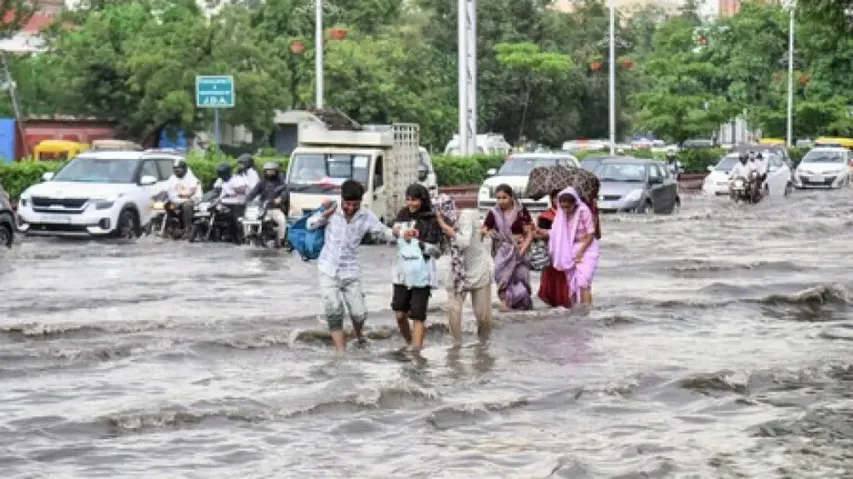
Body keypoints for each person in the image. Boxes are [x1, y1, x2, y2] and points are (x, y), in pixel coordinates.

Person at [307, 179, 396, 352]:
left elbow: (384, 232)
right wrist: (324, 215)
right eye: (347, 204)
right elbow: (309, 225)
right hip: (328, 268)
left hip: (351, 271)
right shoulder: (332, 210)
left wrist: (400, 233)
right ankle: (340, 352)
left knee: (359, 314)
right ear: (342, 198)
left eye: (355, 204)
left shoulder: (365, 216)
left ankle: (358, 335)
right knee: (334, 310)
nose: (350, 208)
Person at [434, 194, 492, 345]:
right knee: (453, 309)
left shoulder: (466, 216)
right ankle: (456, 344)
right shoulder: (438, 225)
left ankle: (483, 345)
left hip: (477, 269)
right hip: (456, 271)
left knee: (482, 316)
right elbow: (439, 250)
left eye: (443, 210)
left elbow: (464, 242)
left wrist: (444, 226)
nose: (443, 214)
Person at [390, 184, 442, 350]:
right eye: (408, 199)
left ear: (423, 200)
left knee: (418, 315)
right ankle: (409, 342)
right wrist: (399, 233)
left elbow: (437, 252)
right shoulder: (402, 215)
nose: (411, 203)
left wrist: (420, 244)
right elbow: (393, 235)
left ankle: (416, 351)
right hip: (402, 272)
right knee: (400, 314)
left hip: (422, 273)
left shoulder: (432, 220)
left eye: (414, 200)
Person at [482, 184, 533, 311]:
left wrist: (522, 251)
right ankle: (505, 303)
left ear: (511, 197)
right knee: (501, 277)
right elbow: (485, 229)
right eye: (498, 198)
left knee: (521, 277)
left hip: (520, 249)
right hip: (502, 251)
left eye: (504, 198)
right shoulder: (493, 213)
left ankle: (522, 303)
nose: (501, 201)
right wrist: (488, 233)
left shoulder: (521, 212)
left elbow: (529, 234)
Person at [549, 187, 599, 306]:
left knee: (584, 281)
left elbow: (591, 233)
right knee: (572, 283)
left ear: (574, 204)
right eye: (563, 207)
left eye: (568, 207)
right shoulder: (561, 214)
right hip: (570, 248)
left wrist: (581, 251)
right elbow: (557, 233)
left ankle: (587, 310)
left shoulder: (583, 211)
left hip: (587, 248)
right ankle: (575, 311)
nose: (565, 210)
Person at [535, 189, 572, 308]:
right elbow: (540, 235)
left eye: (561, 198)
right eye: (556, 198)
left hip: (567, 253)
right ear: (551, 199)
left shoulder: (572, 215)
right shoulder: (545, 216)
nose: (558, 201)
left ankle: (566, 302)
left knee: (565, 279)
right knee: (551, 279)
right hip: (551, 252)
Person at [246, 162, 289, 247]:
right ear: (265, 172)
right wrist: (247, 200)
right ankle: (250, 236)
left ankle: (281, 240)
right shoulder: (262, 183)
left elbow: (285, 193)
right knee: (251, 219)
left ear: (276, 172)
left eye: (272, 171)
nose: (270, 173)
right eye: (268, 171)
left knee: (282, 220)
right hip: (262, 208)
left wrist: (280, 199)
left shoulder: (280, 183)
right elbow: (253, 192)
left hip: (276, 208)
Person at [164, 158, 201, 236]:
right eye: (175, 168)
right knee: (166, 205)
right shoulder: (172, 178)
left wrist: (180, 195)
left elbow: (191, 193)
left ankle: (188, 228)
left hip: (191, 200)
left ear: (184, 169)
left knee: (187, 205)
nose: (176, 170)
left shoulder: (191, 179)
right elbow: (166, 189)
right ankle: (170, 226)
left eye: (179, 168)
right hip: (177, 201)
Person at [215, 162, 250, 240]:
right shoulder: (222, 181)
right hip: (225, 202)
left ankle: (237, 235)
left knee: (235, 218)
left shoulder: (236, 179)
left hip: (237, 203)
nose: (222, 177)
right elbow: (217, 189)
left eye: (223, 174)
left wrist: (235, 189)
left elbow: (242, 189)